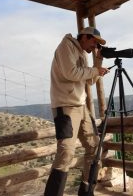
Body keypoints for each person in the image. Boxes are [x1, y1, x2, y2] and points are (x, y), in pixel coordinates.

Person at [44, 27, 109, 196]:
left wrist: (98, 64)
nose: (95, 46)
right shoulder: (66, 46)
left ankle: (86, 192)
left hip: (81, 106)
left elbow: (90, 81)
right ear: (85, 37)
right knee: (66, 152)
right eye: (94, 42)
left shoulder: (82, 53)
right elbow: (71, 73)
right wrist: (95, 71)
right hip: (65, 106)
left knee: (94, 146)